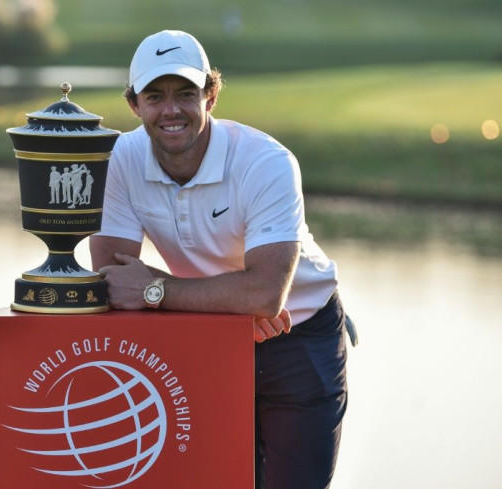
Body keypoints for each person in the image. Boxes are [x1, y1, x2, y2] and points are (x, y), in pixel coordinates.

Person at [90, 30, 349, 489]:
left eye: (186, 93)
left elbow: (267, 295)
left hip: (299, 335)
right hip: (204, 334)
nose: (171, 110)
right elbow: (112, 278)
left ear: (211, 95)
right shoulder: (120, 160)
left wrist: (157, 289)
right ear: (134, 105)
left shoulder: (266, 161)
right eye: (155, 96)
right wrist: (228, 308)